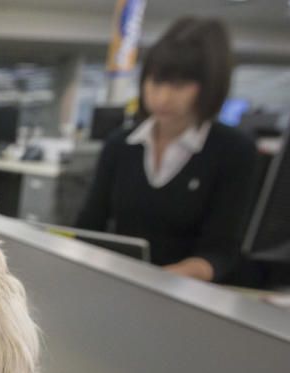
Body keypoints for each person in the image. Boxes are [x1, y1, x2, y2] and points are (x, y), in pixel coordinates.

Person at [76, 17, 258, 283]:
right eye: (156, 82)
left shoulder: (234, 150)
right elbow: (89, 226)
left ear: (208, 87)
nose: (162, 97)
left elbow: (221, 251)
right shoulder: (120, 144)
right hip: (118, 283)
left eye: (179, 86)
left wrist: (160, 280)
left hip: (187, 295)